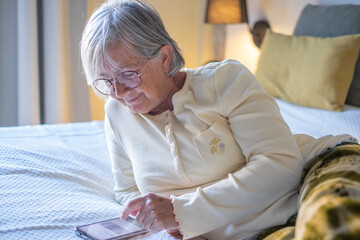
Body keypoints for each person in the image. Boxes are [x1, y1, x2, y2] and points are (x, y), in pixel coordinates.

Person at [80, 0, 355, 239]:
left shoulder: (225, 80)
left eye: (128, 74)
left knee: (334, 227)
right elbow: (128, 190)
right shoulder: (116, 114)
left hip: (316, 168)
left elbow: (282, 165)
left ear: (164, 58)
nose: (118, 93)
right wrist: (172, 229)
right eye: (105, 81)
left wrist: (182, 214)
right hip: (248, 231)